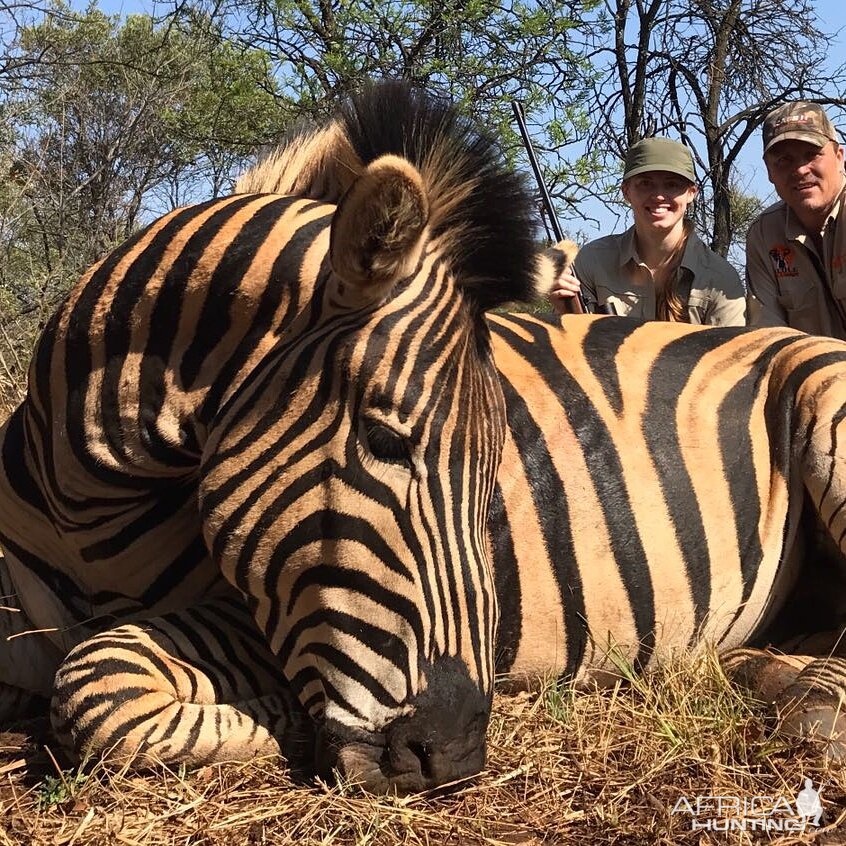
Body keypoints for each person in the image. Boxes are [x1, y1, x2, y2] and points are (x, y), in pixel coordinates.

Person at [549, 137, 745, 325]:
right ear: (626, 191)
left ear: (691, 193)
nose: (659, 196)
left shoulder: (721, 280)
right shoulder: (591, 262)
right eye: (645, 183)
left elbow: (730, 358)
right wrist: (564, 313)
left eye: (672, 185)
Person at [745, 101, 846, 338]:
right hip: (808, 372)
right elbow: (769, 338)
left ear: (839, 156)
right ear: (769, 171)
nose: (800, 170)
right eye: (784, 160)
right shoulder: (764, 235)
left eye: (812, 155)